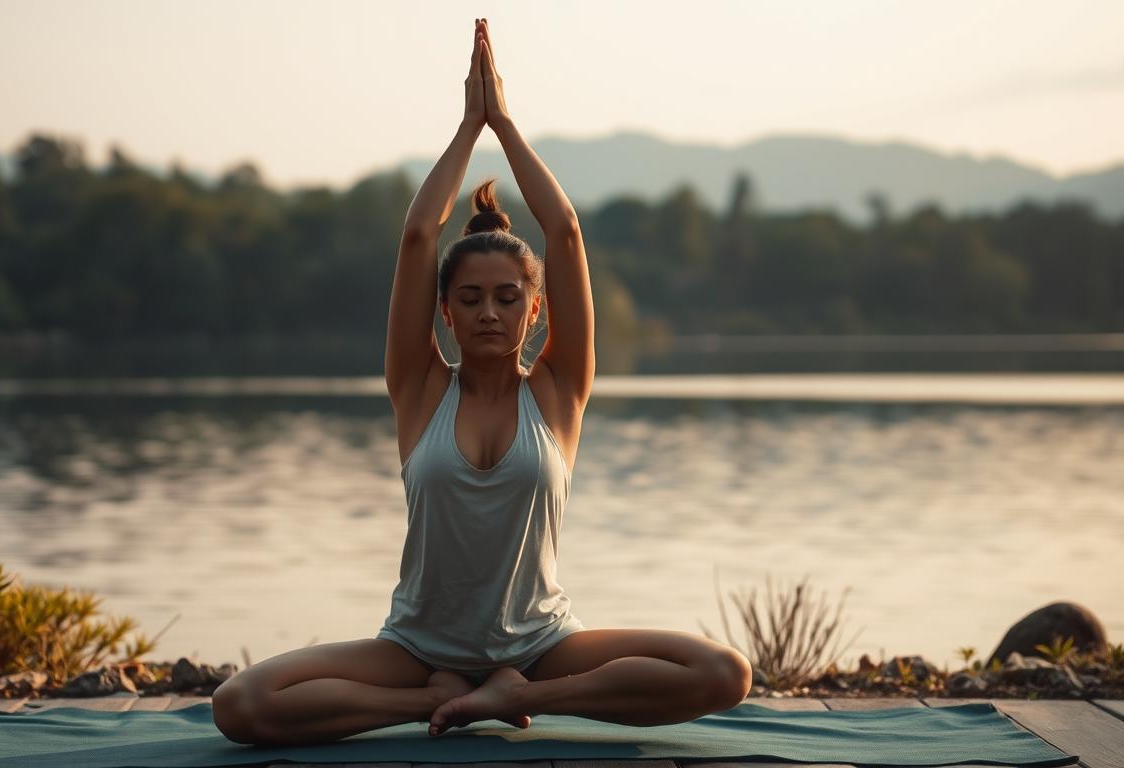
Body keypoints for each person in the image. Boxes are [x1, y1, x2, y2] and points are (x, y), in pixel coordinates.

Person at [211, 18, 752, 747]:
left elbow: (563, 233)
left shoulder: (559, 394)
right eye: (470, 299)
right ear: (446, 312)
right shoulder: (419, 388)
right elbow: (416, 238)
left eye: (506, 298)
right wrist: (469, 128)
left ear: (535, 310)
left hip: (541, 644)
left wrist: (507, 123)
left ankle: (524, 695)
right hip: (417, 651)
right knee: (239, 704)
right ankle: (443, 702)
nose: (489, 312)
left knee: (725, 673)